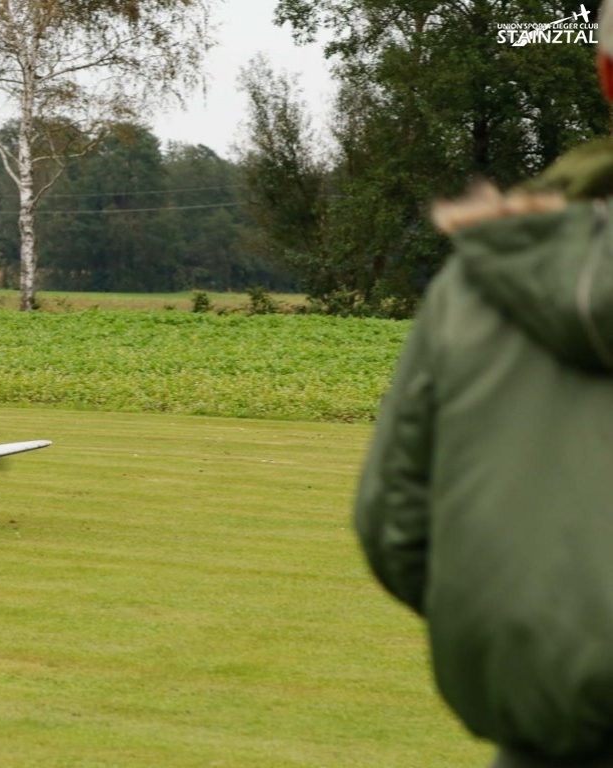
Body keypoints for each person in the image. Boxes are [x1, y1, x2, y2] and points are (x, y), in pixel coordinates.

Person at [354, 6, 613, 767]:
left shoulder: (472, 285)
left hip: (545, 732)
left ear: (603, 75)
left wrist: (524, 629)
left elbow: (395, 527)